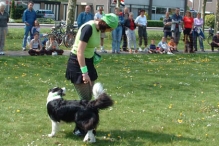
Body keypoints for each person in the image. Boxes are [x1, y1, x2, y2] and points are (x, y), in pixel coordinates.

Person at [65, 13, 118, 136]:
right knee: (85, 99)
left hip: (88, 61)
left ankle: (88, 126)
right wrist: (84, 73)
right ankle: (80, 129)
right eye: (111, 29)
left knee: (90, 96)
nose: (110, 32)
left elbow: (89, 48)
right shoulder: (88, 28)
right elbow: (79, 51)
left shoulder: (98, 29)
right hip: (77, 63)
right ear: (106, 25)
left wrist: (94, 57)